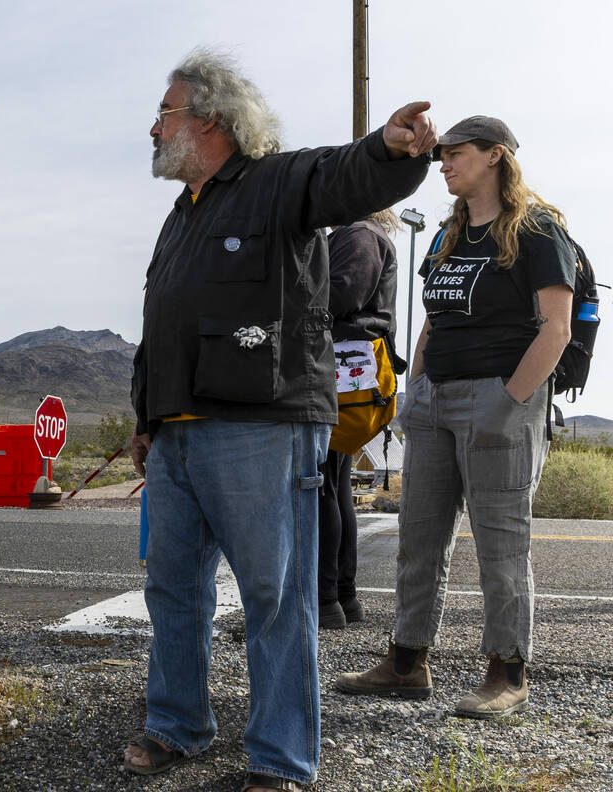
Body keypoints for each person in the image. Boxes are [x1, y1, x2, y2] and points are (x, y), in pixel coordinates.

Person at [124, 48, 433, 791]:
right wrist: (145, 418)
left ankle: (281, 758)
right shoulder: (180, 215)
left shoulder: (276, 182)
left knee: (277, 596)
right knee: (171, 589)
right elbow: (161, 324)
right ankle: (179, 724)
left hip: (262, 426)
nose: (152, 127)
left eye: (164, 111)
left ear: (210, 120)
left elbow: (344, 176)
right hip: (176, 433)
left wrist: (389, 151)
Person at [336, 116, 573, 718]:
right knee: (419, 536)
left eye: (455, 154)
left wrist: (511, 398)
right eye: (440, 157)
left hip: (501, 400)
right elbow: (435, 320)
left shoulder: (537, 230)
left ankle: (506, 671)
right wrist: (416, 387)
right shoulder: (449, 233)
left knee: (501, 543)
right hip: (436, 398)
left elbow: (557, 327)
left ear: (494, 156)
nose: (442, 164)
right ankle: (408, 662)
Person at [318, 211, 402, 630]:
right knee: (332, 483)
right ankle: (341, 599)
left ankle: (323, 599)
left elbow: (338, 297)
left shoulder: (357, 235)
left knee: (318, 486)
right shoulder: (363, 234)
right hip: (351, 378)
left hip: (335, 376)